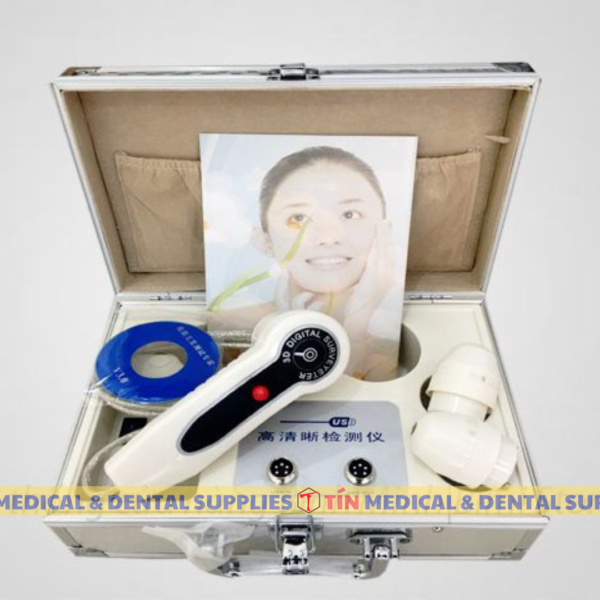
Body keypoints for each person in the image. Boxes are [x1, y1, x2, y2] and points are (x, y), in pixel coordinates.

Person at [209, 146, 402, 381]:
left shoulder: (386, 355)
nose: (328, 236)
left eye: (350, 214)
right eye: (299, 218)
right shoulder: (230, 324)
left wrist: (357, 326)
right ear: (265, 240)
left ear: (385, 230)